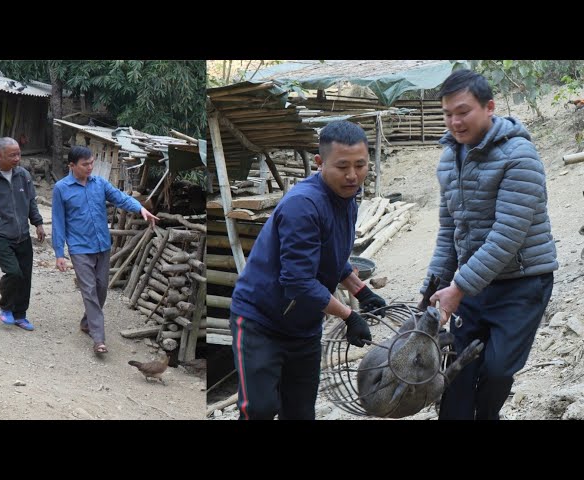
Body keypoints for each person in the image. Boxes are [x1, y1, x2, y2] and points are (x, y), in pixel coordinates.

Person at [418, 69, 558, 420]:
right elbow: (449, 228)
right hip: (473, 286)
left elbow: (507, 235)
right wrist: (432, 286)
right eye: (448, 114)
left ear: (489, 107)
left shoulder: (519, 156)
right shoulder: (450, 158)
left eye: (463, 111)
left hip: (522, 283)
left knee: (496, 369)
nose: (454, 122)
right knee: (458, 378)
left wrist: (458, 288)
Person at [229, 120, 387, 420]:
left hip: (303, 327)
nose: (353, 175)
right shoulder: (303, 205)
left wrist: (361, 291)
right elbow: (298, 282)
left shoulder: (347, 198)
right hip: (259, 322)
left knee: (301, 412)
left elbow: (332, 255)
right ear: (319, 162)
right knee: (259, 409)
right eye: (342, 166)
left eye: (360, 165)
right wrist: (349, 315)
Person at [52, 146, 159, 355]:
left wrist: (141, 208)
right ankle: (98, 339)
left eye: (92, 162)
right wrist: (59, 254)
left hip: (102, 245)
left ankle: (87, 322)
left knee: (101, 289)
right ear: (72, 166)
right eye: (85, 164)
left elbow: (120, 197)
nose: (90, 167)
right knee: (89, 290)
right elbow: (58, 222)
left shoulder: (99, 183)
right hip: (79, 248)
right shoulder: (61, 188)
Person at [0, 137, 46, 331]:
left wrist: (37, 223)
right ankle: (6, 308)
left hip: (22, 234)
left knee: (25, 276)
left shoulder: (24, 175)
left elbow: (31, 202)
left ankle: (20, 315)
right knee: (13, 272)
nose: (17, 158)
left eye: (19, 154)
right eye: (12, 155)